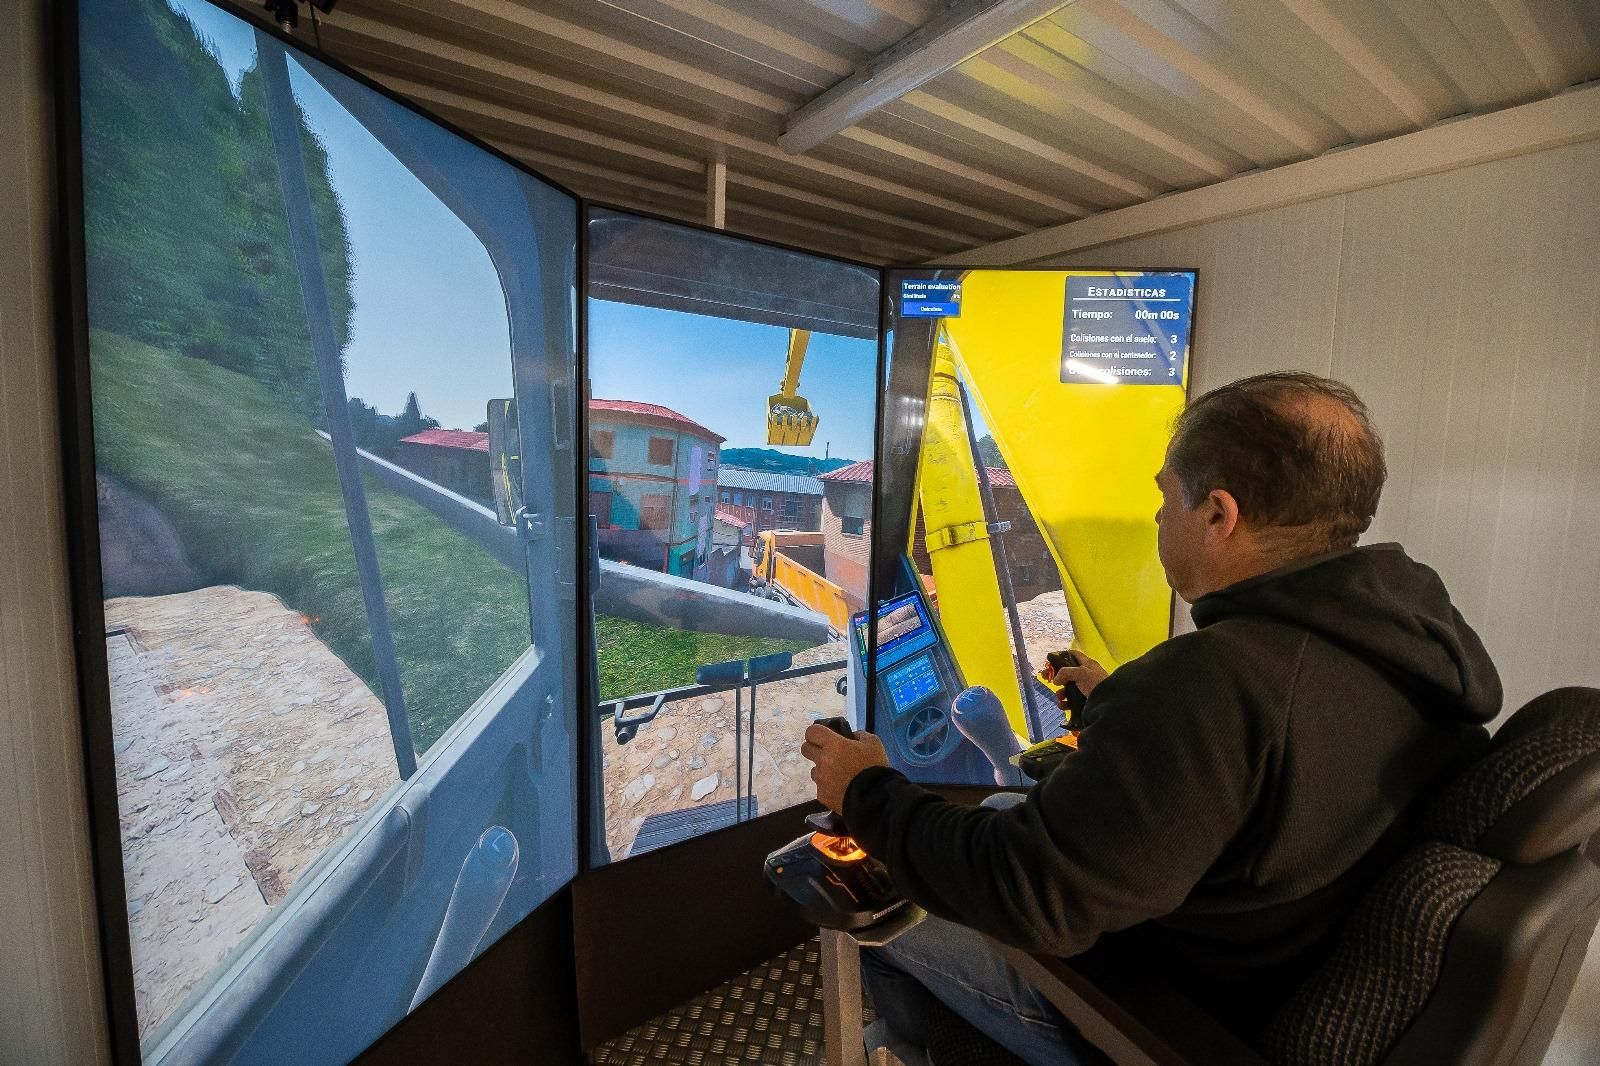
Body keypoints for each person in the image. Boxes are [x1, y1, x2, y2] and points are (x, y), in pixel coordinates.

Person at [802, 371, 1500, 1064]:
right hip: (1276, 953)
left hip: (1145, 1009)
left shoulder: (1207, 684)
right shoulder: (1406, 641)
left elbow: (1029, 896)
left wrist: (868, 790)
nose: (1161, 516)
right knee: (990, 802)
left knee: (884, 912)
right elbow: (1265, 764)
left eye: (1167, 497)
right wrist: (1121, 709)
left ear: (1219, 515)